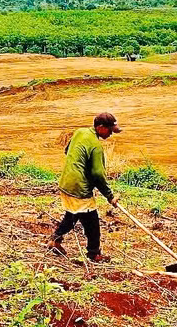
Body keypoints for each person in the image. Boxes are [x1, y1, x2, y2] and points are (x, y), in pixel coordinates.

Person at [48, 112, 122, 262]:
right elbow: (98, 175)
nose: (110, 134)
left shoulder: (80, 132)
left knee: (73, 214)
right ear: (100, 127)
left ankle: (55, 240)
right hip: (78, 188)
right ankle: (94, 254)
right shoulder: (96, 147)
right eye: (109, 130)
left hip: (66, 182)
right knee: (92, 223)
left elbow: (67, 151)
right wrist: (110, 196)